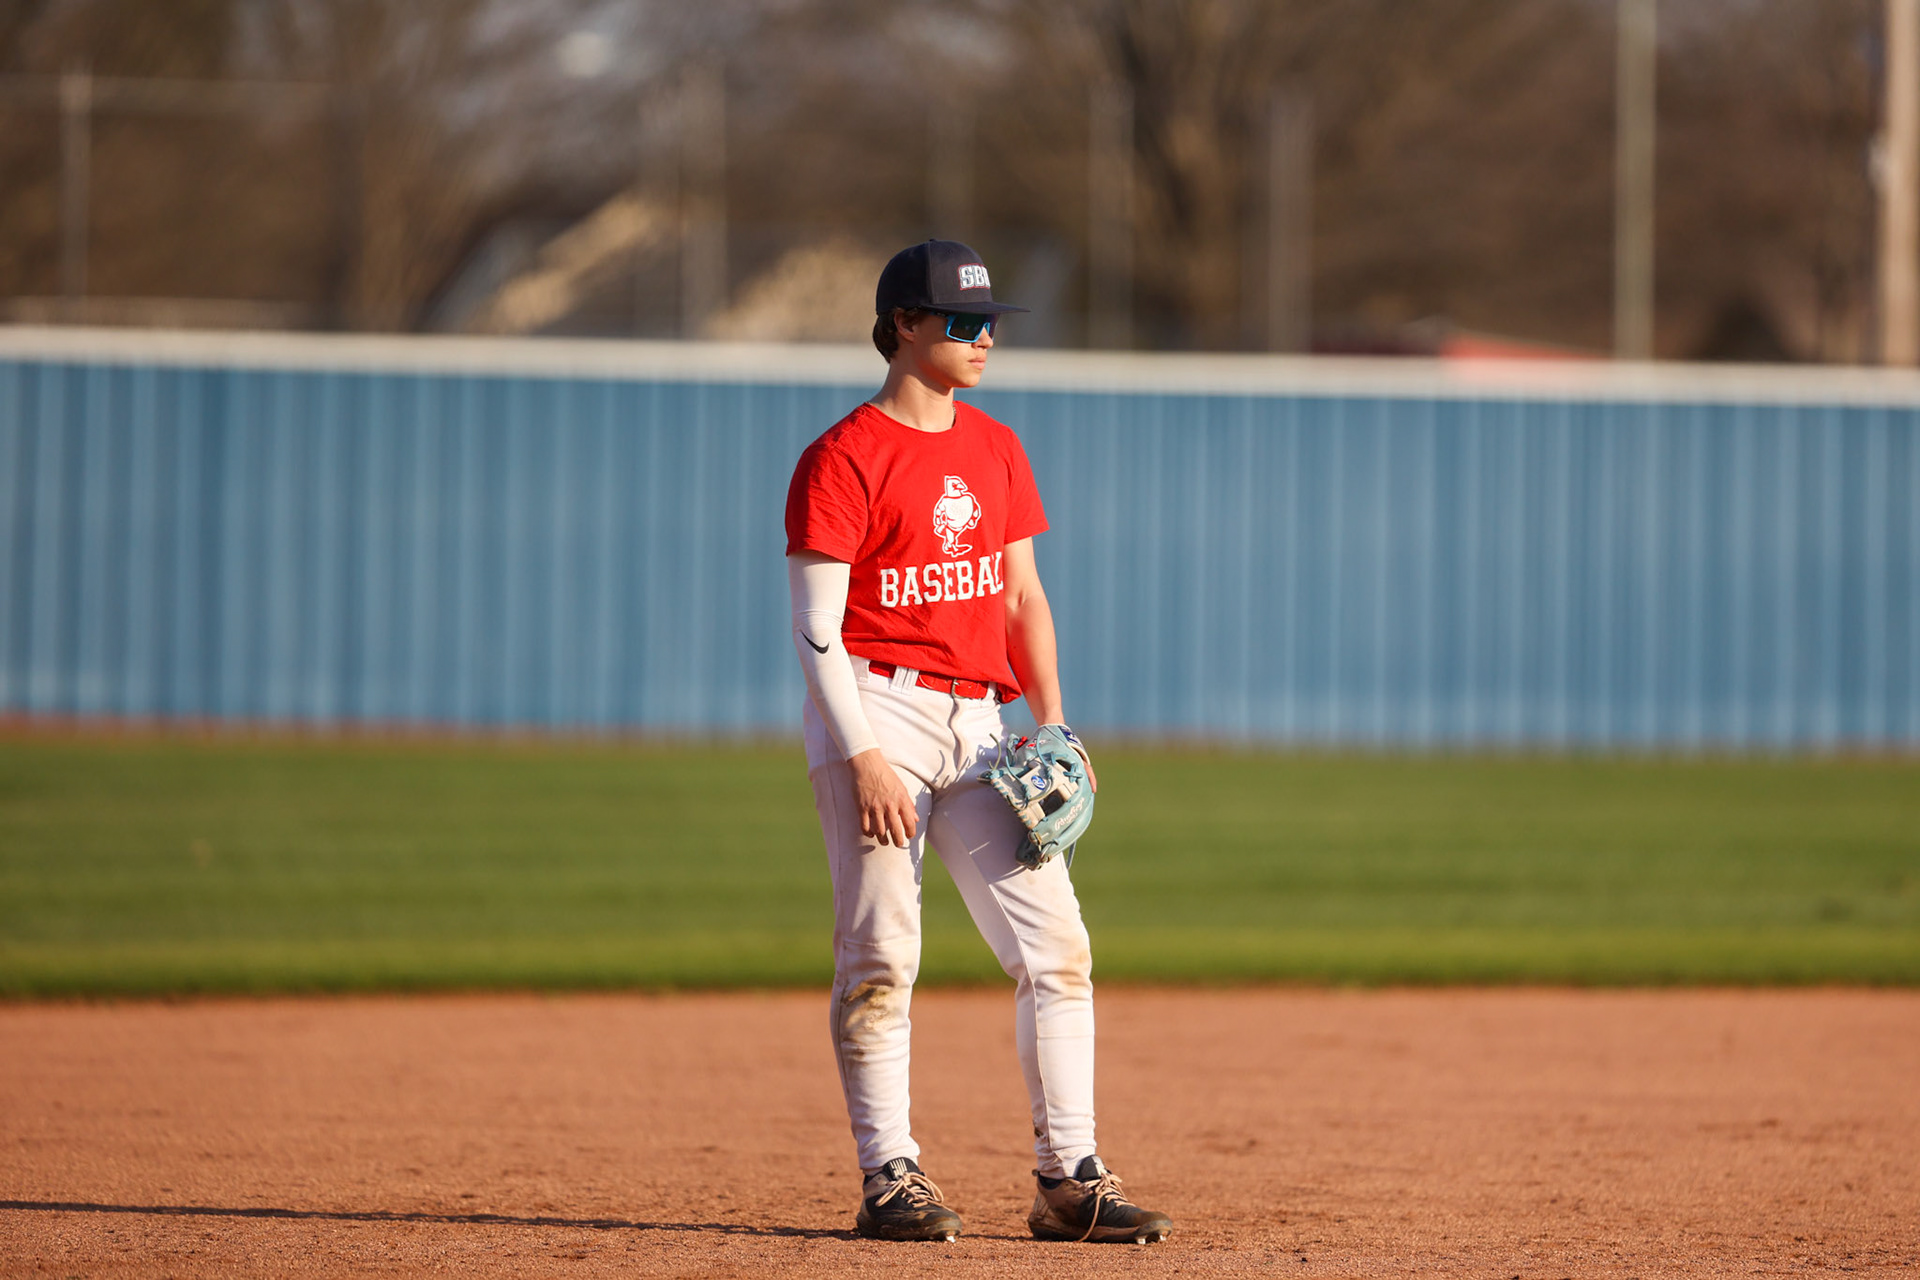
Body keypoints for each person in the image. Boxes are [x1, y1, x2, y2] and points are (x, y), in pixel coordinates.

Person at [783, 239, 1172, 1245]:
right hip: (877, 707)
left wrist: (1055, 721)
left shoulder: (996, 447)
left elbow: (1021, 596)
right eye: (961, 321)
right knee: (882, 951)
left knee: (1058, 947)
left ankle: (1070, 1177)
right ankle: (889, 1177)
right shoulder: (843, 456)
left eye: (990, 321)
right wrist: (862, 750)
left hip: (979, 726)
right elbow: (819, 627)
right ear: (904, 325)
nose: (983, 336)